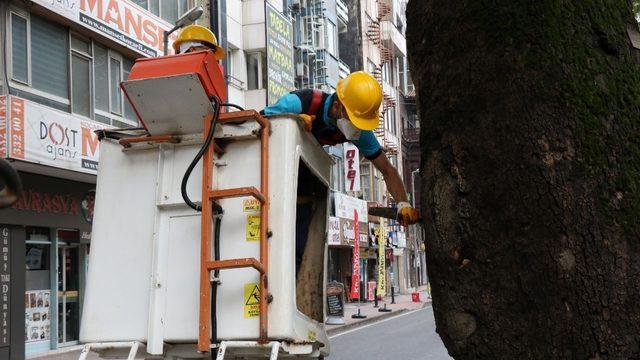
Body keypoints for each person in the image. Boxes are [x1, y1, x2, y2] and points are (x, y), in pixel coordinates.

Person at [262, 71, 420, 226]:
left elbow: (387, 169)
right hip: (268, 171)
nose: (357, 128)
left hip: (301, 180)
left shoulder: (359, 132)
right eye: (354, 121)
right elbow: (256, 125)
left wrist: (403, 204)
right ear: (337, 107)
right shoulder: (301, 103)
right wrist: (289, 122)